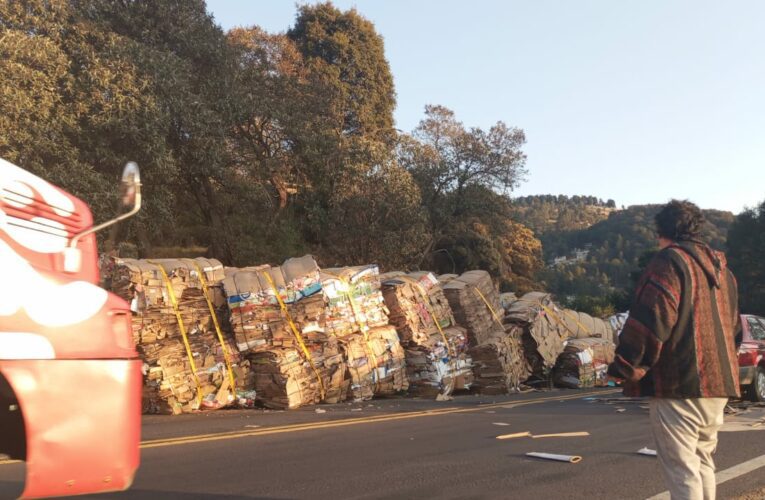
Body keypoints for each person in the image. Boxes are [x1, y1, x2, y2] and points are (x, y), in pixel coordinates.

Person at [607, 200, 740, 500]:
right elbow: (734, 331)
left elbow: (651, 320)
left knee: (682, 469)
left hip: (678, 384)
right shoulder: (724, 273)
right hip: (717, 386)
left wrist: (622, 368)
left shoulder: (669, 262)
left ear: (661, 232)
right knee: (703, 460)